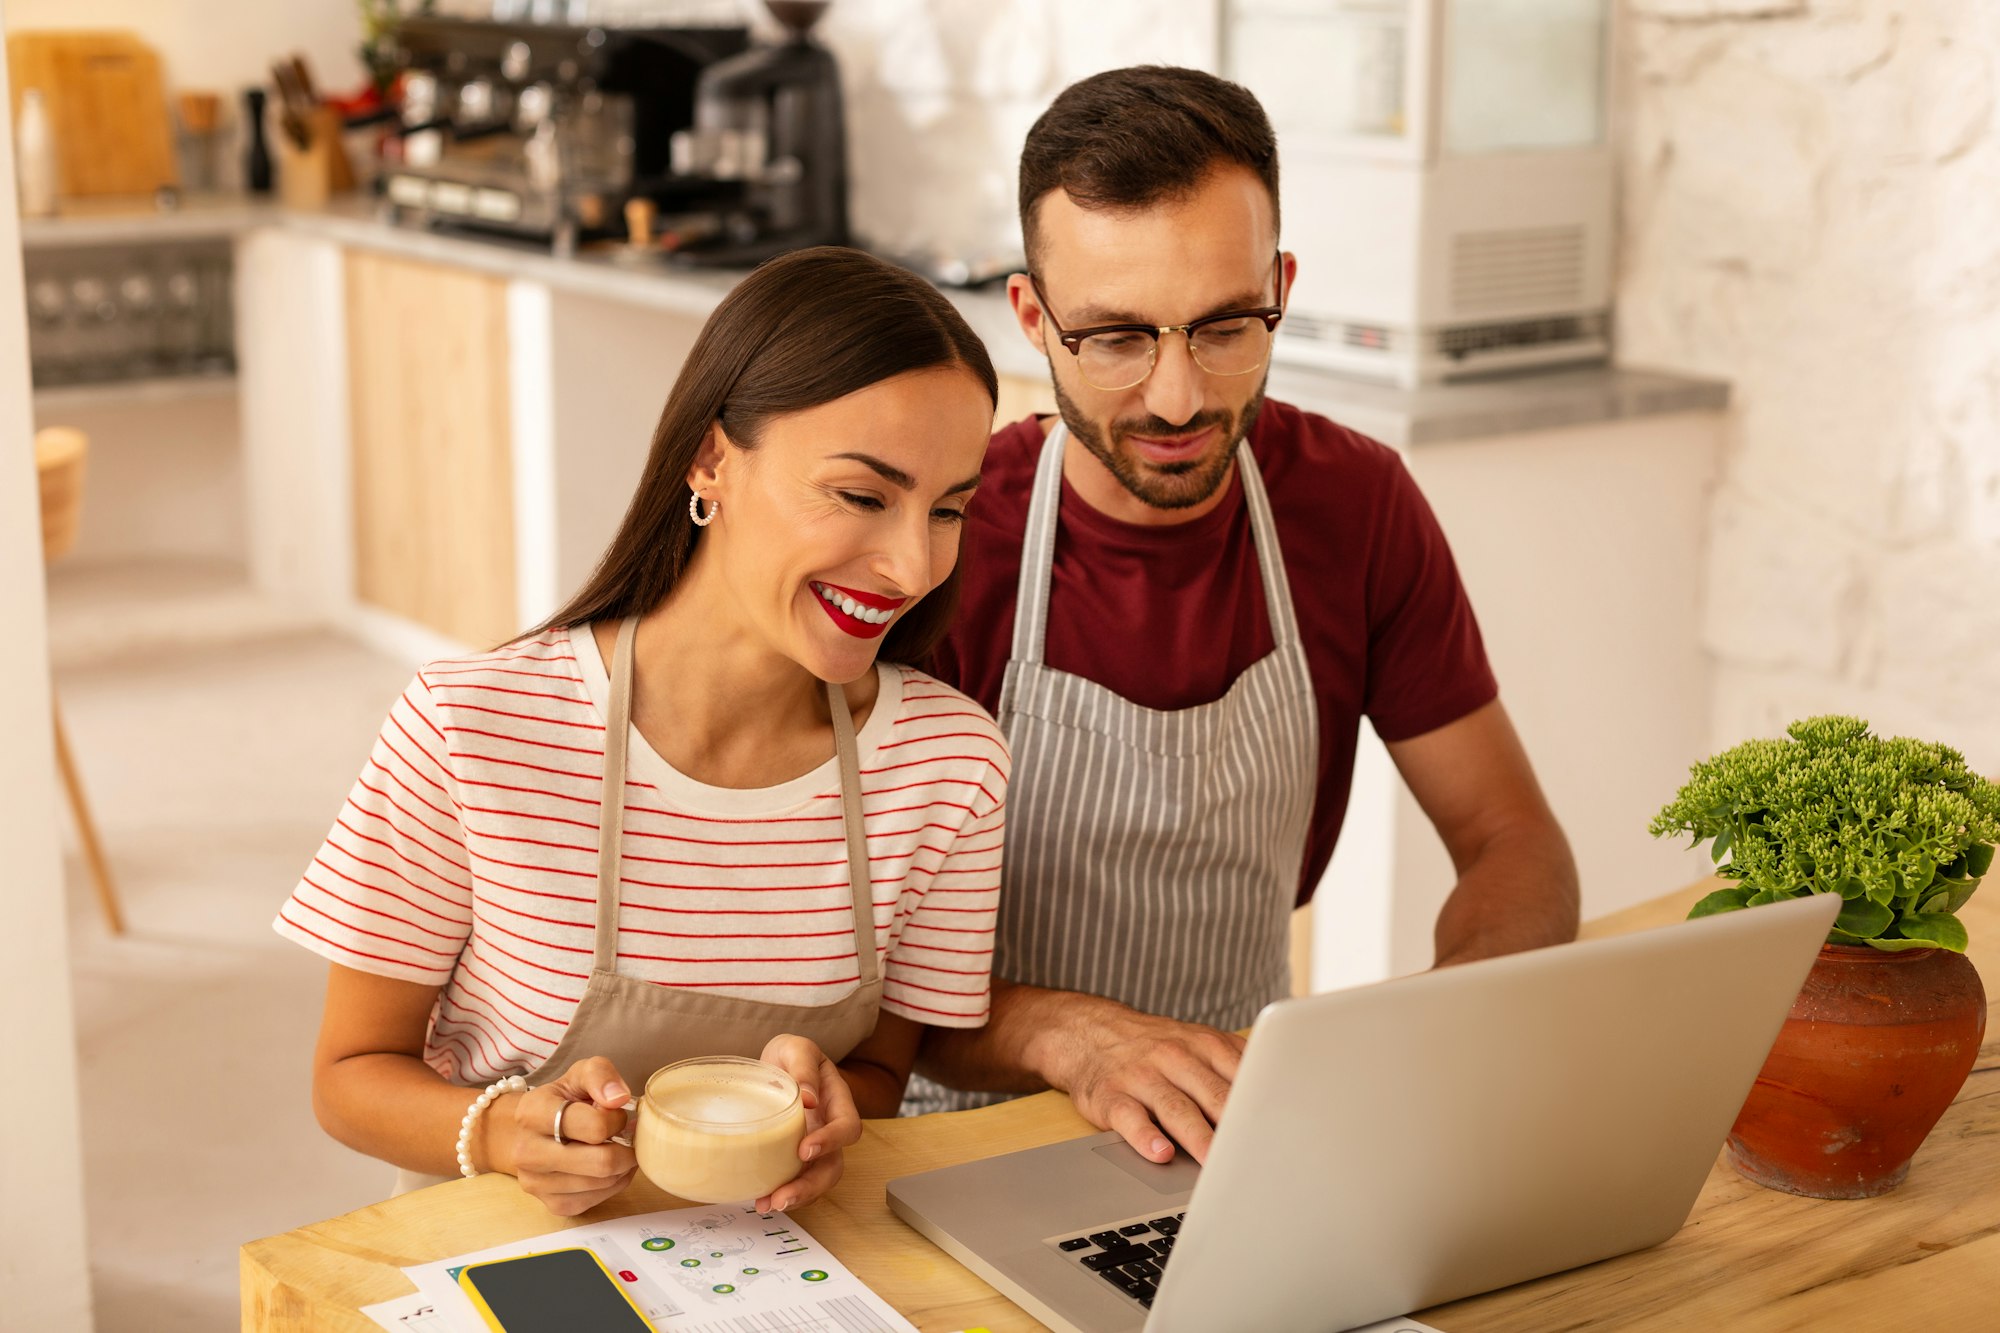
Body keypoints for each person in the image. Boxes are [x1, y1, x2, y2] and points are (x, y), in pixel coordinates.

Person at [905, 68, 1580, 1160]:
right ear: (1031, 317)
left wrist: (1437, 1014)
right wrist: (1065, 1035)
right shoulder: (941, 539)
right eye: (1116, 339)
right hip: (961, 1146)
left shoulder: (1354, 507)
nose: (1176, 398)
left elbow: (1512, 842)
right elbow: (841, 971)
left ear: (1280, 286)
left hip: (1237, 1137)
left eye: (1225, 326)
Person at [277, 247, 1008, 1216]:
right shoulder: (473, 725)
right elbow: (348, 1076)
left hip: (777, 1274)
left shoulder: (948, 766)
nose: (912, 563)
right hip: (503, 1255)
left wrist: (837, 1109)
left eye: (948, 507)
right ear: (711, 460)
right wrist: (499, 1130)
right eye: (862, 496)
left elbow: (877, 1070)